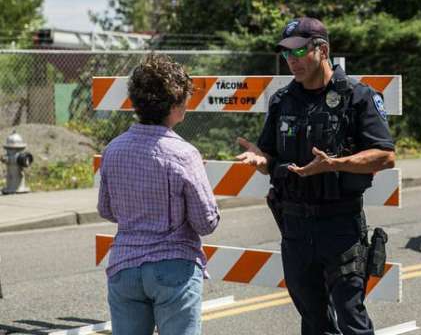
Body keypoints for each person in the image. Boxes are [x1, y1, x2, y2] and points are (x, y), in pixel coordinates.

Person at [236, 17, 395, 335]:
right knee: (313, 321)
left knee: (352, 319)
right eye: (286, 54)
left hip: (340, 226)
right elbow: (270, 156)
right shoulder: (282, 100)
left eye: (298, 52)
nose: (291, 61)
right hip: (294, 227)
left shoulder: (356, 97)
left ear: (322, 50)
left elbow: (385, 156)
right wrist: (260, 158)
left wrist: (334, 164)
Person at [97, 54, 220, 335]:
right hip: (173, 267)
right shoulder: (184, 154)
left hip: (124, 266)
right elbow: (205, 223)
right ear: (175, 105)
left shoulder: (113, 150)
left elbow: (106, 209)